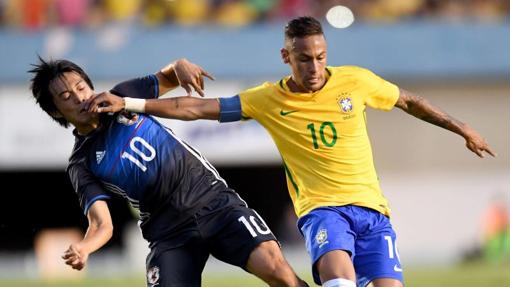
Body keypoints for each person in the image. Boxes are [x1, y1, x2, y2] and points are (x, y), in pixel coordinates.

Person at [87, 16, 496, 287]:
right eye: (304, 59)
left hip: (374, 212)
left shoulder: (356, 81)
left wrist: (461, 127)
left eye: (320, 57)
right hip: (323, 211)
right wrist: (131, 103)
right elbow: (196, 108)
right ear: (287, 57)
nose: (315, 67)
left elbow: (408, 101)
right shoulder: (268, 99)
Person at [28, 57, 309, 287]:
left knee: (279, 273)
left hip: (215, 205)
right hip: (169, 234)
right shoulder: (81, 164)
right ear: (55, 112)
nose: (79, 97)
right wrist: (85, 247)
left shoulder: (122, 96)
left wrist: (181, 66)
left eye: (81, 87)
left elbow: (170, 75)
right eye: (67, 96)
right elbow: (102, 224)